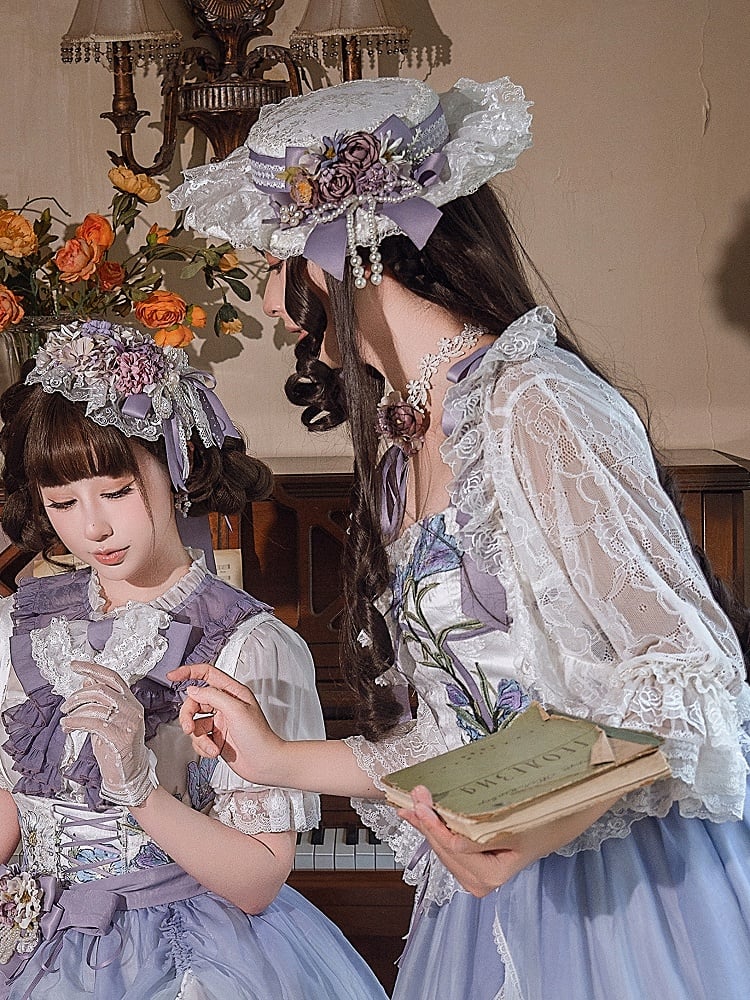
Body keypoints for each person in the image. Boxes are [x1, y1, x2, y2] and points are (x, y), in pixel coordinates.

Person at [169, 77, 750, 999]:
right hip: (486, 897)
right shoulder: (404, 443)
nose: (270, 307)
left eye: (270, 263)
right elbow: (454, 743)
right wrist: (271, 755)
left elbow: (691, 667)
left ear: (344, 254)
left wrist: (538, 829)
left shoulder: (537, 403)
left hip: (617, 893)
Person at [0, 317, 389, 1000]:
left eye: (116, 491)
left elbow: (259, 881)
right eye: (62, 502)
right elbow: (13, 801)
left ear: (175, 465)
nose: (91, 528)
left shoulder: (251, 645)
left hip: (188, 953)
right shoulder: (21, 622)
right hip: (34, 948)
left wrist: (137, 788)